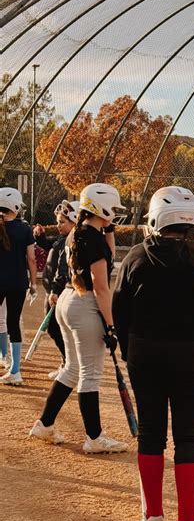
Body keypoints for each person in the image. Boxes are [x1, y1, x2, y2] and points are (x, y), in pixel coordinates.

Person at [113, 186, 194, 521]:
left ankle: (152, 517)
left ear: (154, 219)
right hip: (189, 355)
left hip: (144, 353)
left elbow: (120, 311)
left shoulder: (136, 256)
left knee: (150, 434)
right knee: (188, 438)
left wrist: (129, 350)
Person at [29, 183, 129, 454]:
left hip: (68, 300)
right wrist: (110, 325)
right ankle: (94, 438)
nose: (115, 214)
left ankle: (45, 423)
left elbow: (107, 255)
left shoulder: (79, 232)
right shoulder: (91, 237)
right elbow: (101, 285)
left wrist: (108, 228)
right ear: (100, 206)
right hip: (85, 304)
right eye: (112, 208)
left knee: (72, 369)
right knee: (90, 373)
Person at [33, 200, 79, 378]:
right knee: (55, 329)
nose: (58, 225)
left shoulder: (71, 242)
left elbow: (64, 270)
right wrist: (40, 237)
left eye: (62, 222)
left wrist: (55, 290)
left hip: (57, 294)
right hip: (52, 292)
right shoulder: (62, 239)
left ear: (74, 222)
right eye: (58, 221)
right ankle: (67, 362)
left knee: (55, 328)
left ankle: (68, 363)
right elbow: (48, 245)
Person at [0, 187, 37, 386]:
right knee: (13, 323)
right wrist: (33, 284)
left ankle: (2, 356)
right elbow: (31, 259)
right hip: (17, 283)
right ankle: (15, 370)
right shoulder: (24, 229)